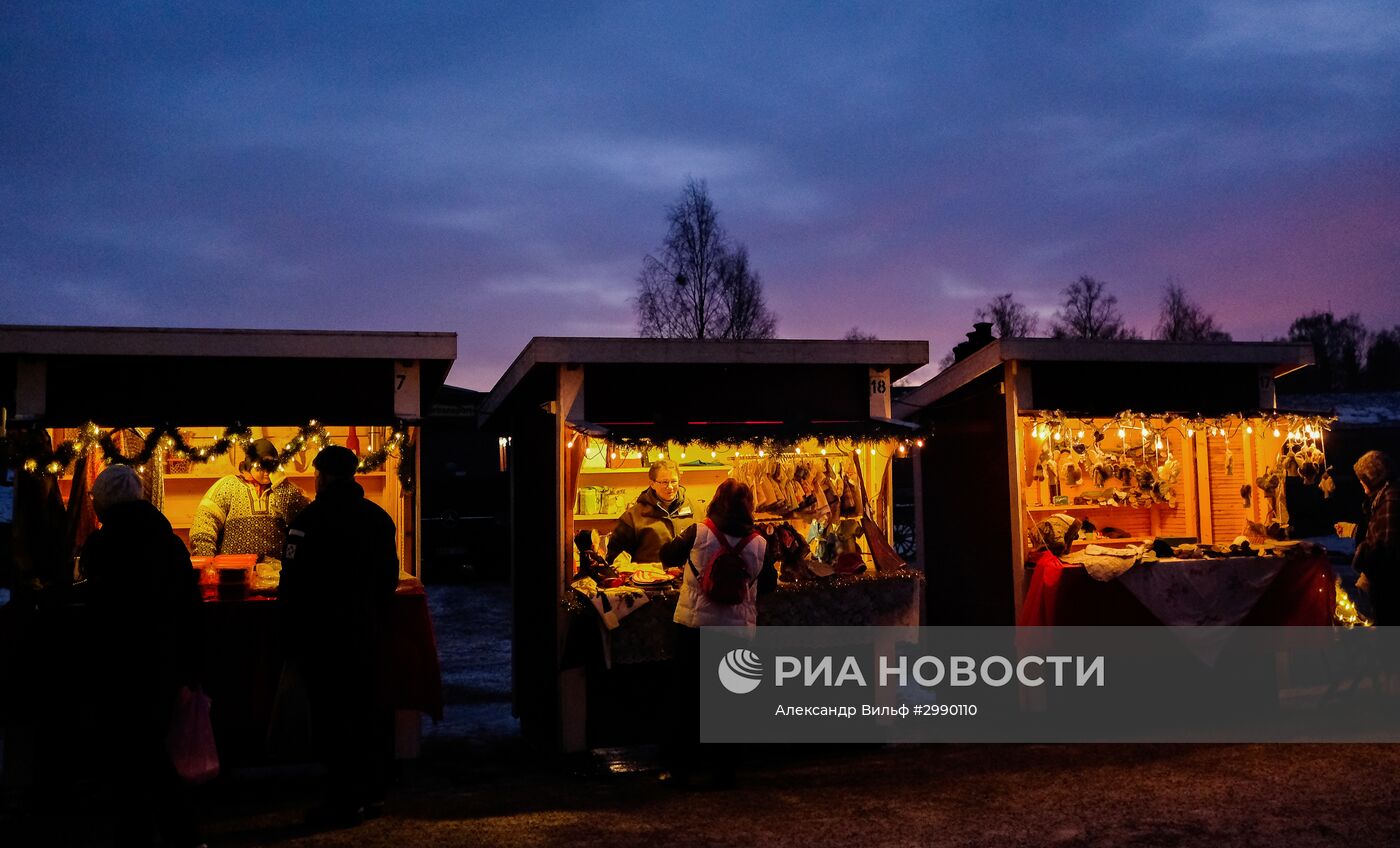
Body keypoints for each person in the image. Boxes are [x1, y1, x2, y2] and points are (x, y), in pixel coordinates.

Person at [80, 465, 203, 848]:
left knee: (136, 752)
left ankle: (166, 831)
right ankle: (166, 831)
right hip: (164, 660)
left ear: (103, 503)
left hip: (120, 664)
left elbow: (98, 609)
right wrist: (189, 666)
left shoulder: (102, 547)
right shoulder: (168, 541)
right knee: (148, 746)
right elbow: (190, 605)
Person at [279, 445, 399, 827]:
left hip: (323, 637)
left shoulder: (307, 521)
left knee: (333, 720)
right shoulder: (378, 519)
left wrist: (294, 633)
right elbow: (388, 579)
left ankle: (342, 801)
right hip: (365, 632)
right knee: (367, 713)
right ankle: (374, 792)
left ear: (322, 476)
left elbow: (292, 584)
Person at [658, 478, 767, 788]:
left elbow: (667, 556)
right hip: (736, 632)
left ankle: (682, 769)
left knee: (687, 699)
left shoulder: (699, 531)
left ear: (716, 501)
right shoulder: (758, 543)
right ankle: (725, 772)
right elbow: (768, 582)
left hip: (694, 628)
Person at [189, 438, 309, 558]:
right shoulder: (228, 485)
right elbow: (203, 524)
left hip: (276, 571)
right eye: (262, 465)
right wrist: (207, 564)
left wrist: (290, 561)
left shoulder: (285, 490)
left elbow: (302, 523)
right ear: (251, 464)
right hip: (232, 571)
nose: (267, 471)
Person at [1339, 451, 1399, 625]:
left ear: (1373, 477)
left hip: (1390, 587)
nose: (1361, 484)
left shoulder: (1391, 499)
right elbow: (1376, 531)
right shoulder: (1381, 497)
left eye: (1362, 479)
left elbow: (1388, 545)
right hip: (1385, 584)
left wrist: (1365, 556)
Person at [606, 458, 695, 564]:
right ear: (652, 484)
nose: (670, 487)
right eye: (664, 482)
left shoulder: (696, 509)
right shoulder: (632, 517)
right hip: (650, 578)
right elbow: (615, 558)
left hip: (688, 578)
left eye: (674, 481)